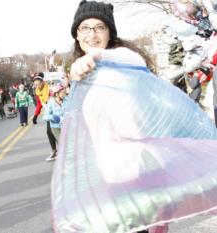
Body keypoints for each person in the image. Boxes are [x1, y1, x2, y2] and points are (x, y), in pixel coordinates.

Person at [68, 1, 162, 232]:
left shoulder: (124, 64)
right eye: (85, 28)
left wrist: (94, 56)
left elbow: (134, 60)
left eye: (99, 27)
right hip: (106, 179)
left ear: (110, 33)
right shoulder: (88, 77)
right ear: (77, 35)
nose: (92, 34)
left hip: (134, 176)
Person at [32, 73, 58, 161]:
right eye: (35, 84)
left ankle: (64, 150)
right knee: (49, 132)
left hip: (56, 112)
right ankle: (54, 151)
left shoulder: (49, 89)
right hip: (48, 113)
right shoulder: (38, 92)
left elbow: (56, 98)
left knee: (57, 131)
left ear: (42, 82)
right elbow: (39, 104)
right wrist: (35, 115)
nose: (37, 86)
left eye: (38, 84)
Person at [43, 83, 67, 161]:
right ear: (56, 94)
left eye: (64, 92)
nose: (64, 94)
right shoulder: (51, 102)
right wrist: (53, 117)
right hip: (56, 127)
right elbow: (45, 116)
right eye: (62, 92)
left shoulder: (67, 100)